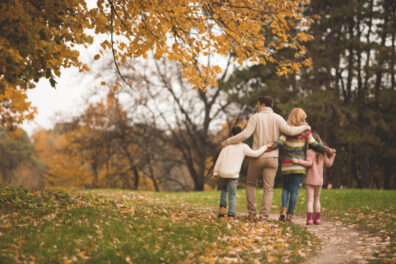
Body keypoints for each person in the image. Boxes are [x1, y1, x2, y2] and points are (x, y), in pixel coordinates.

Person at [221, 96, 310, 221]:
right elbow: (290, 131)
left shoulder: (255, 117)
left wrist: (228, 141)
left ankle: (252, 214)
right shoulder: (278, 118)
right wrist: (305, 127)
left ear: (263, 104)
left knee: (250, 184)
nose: (256, 106)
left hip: (257, 156)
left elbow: (245, 134)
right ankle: (264, 217)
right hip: (272, 158)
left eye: (257, 104)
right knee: (268, 188)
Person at [269, 108, 335, 223]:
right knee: (294, 191)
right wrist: (329, 150)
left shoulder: (286, 131)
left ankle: (283, 211)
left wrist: (269, 147)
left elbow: (279, 143)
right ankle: (290, 215)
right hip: (299, 166)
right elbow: (315, 145)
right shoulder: (306, 132)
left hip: (287, 164)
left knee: (285, 188)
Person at [214, 126, 271, 219]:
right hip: (233, 174)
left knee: (224, 190)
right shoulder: (243, 147)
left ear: (232, 135)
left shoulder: (226, 147)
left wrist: (215, 173)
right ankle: (231, 215)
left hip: (223, 173)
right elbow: (255, 154)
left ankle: (222, 210)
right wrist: (265, 147)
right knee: (232, 194)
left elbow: (219, 160)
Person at [290, 131, 336, 225]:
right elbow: (329, 164)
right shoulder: (322, 153)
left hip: (310, 180)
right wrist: (333, 155)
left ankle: (310, 220)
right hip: (319, 180)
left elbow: (309, 163)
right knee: (317, 199)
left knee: (310, 200)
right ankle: (317, 219)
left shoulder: (309, 152)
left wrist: (298, 161)